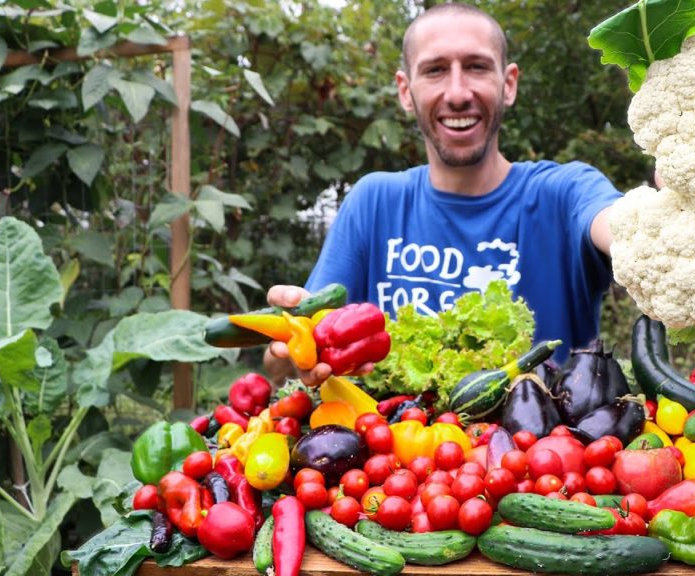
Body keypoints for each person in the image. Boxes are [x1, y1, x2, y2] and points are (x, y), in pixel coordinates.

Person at [265, 2, 620, 385]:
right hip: (397, 442)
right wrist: (288, 346)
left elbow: (624, 226)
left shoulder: (563, 194)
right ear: (405, 91)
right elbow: (288, 363)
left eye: (476, 67)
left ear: (509, 84)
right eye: (435, 70)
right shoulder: (374, 203)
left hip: (543, 441)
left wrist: (671, 210)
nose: (457, 93)